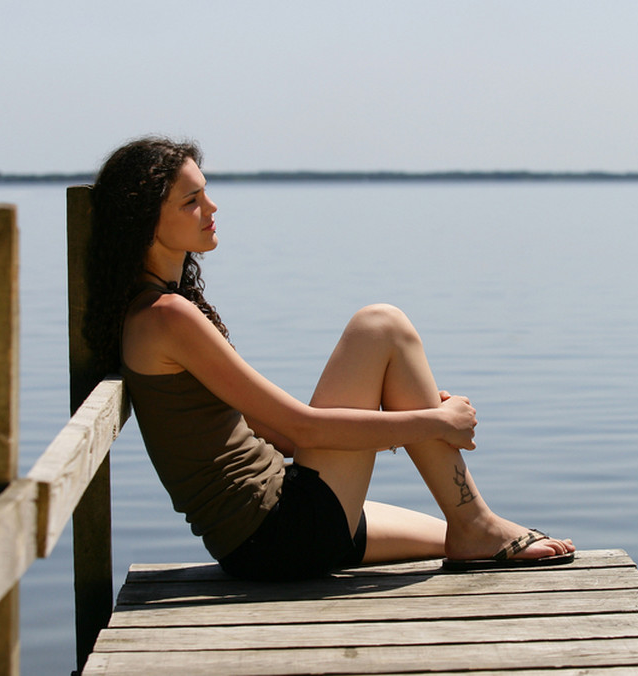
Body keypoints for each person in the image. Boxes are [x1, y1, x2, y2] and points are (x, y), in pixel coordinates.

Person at [84, 136, 574, 580]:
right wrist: (433, 422)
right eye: (192, 201)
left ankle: (472, 526)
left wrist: (411, 415)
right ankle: (477, 522)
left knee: (447, 537)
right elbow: (304, 431)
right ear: (145, 220)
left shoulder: (157, 309)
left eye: (205, 191)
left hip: (268, 530)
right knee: (381, 325)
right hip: (279, 532)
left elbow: (279, 435)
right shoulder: (167, 317)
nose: (212, 206)